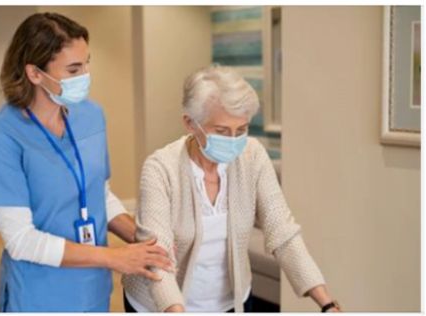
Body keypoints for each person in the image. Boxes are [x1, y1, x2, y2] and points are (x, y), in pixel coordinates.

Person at [0, 12, 171, 312]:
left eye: (87, 63)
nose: (86, 76)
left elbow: (99, 195)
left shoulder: (91, 115)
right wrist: (114, 257)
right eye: (74, 69)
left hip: (93, 288)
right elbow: (21, 240)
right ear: (35, 73)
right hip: (40, 294)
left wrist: (145, 241)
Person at [122, 65, 341, 313]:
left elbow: (282, 231)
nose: (235, 140)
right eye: (222, 131)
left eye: (242, 130)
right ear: (190, 124)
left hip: (229, 302)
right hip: (160, 305)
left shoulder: (253, 156)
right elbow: (156, 259)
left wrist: (327, 303)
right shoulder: (160, 169)